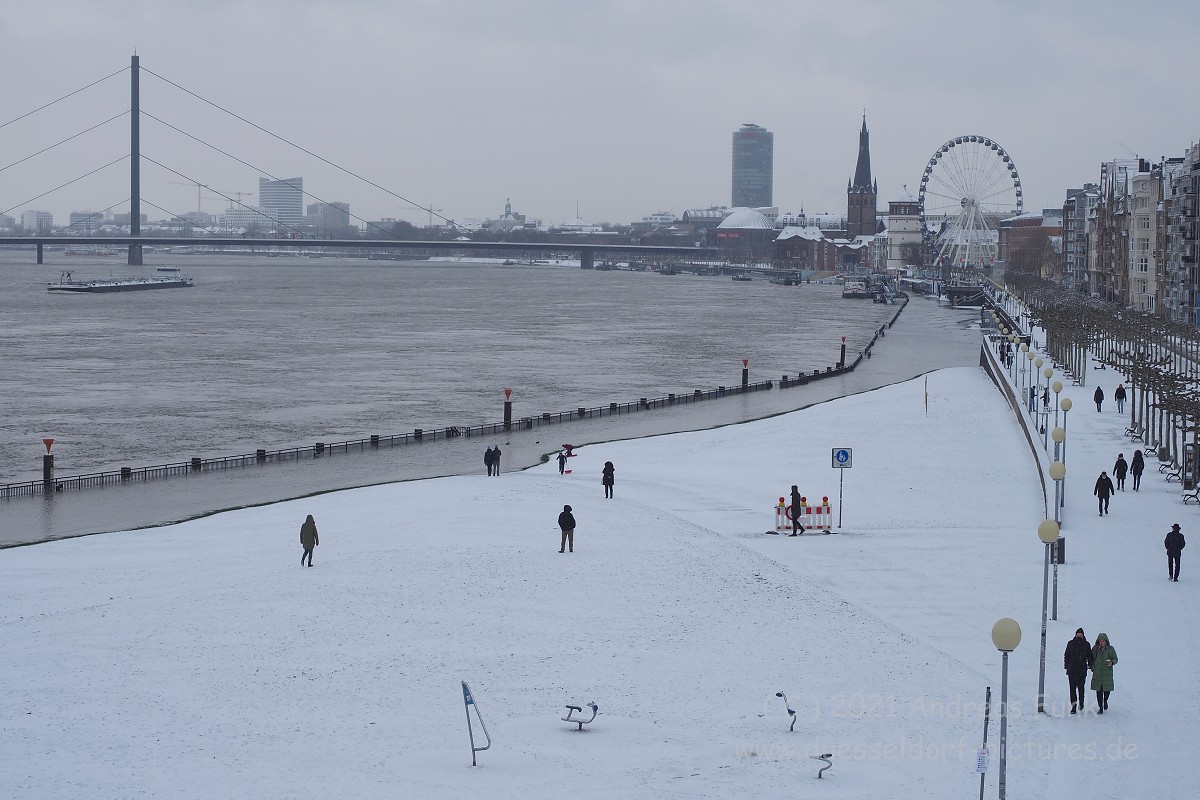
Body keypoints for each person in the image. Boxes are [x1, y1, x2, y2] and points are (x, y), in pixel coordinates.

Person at [1063, 627, 1093, 715]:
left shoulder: (1086, 644)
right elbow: (1066, 655)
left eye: (1080, 634)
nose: (1079, 635)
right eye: (1078, 634)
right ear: (1075, 634)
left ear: (1083, 635)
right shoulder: (1071, 643)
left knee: (1081, 687)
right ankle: (1073, 706)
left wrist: (1089, 665)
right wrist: (1067, 666)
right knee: (1072, 688)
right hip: (1072, 669)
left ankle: (1081, 701)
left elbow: (1090, 656)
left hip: (1082, 669)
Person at [1089, 633, 1118, 714]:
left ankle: (1105, 701)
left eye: (1103, 641)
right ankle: (1100, 707)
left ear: (1106, 641)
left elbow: (1115, 659)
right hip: (1097, 673)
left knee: (1107, 690)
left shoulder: (1110, 649)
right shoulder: (1095, 648)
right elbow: (1091, 658)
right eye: (1100, 641)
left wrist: (1112, 662)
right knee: (1098, 691)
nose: (1101, 642)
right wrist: (1092, 667)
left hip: (1107, 673)